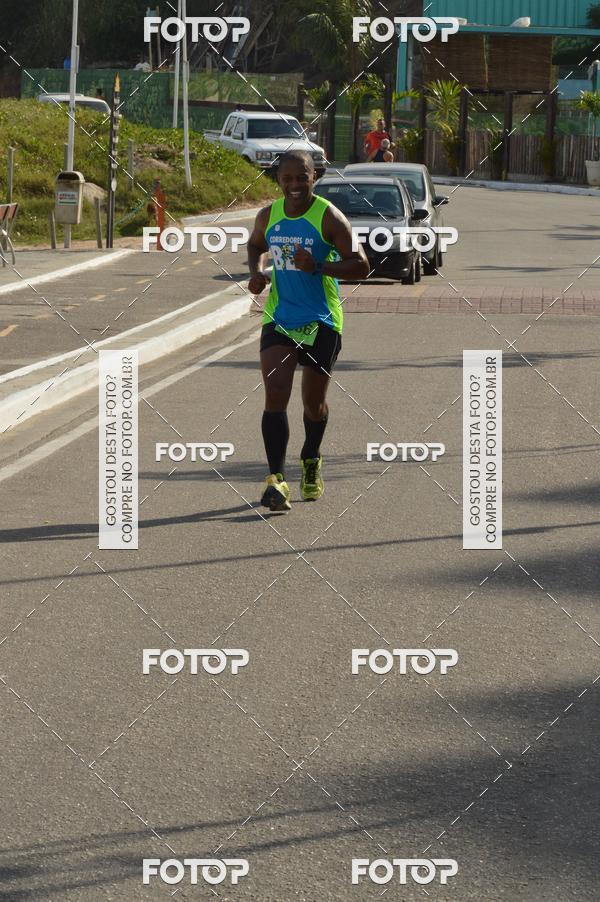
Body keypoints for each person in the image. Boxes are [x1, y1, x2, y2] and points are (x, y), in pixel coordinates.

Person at [247, 150, 369, 512]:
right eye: (288, 178)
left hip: (321, 320)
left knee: (313, 406)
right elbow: (255, 244)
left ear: (314, 176)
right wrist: (256, 272)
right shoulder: (268, 215)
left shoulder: (329, 217)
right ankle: (276, 480)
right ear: (278, 180)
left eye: (303, 177)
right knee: (275, 394)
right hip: (280, 317)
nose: (295, 184)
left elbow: (361, 265)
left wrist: (317, 265)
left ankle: (311, 457)